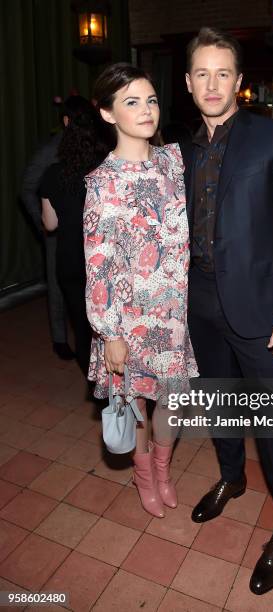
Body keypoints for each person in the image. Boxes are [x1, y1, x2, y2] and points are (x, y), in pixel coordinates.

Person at [182, 27, 273, 595]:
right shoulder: (180, 148)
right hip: (200, 300)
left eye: (223, 73)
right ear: (188, 83)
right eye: (201, 74)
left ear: (240, 81)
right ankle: (232, 480)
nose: (212, 84)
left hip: (263, 308)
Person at [85, 63, 198, 518]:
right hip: (127, 319)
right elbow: (98, 264)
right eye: (131, 101)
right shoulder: (101, 182)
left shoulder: (173, 160)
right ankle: (144, 474)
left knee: (172, 401)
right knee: (135, 407)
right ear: (108, 113)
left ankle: (164, 470)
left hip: (173, 312)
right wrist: (108, 332)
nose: (146, 110)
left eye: (151, 99)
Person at [40, 96, 109, 377]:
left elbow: (51, 224)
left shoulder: (54, 173)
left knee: (82, 329)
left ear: (66, 125)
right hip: (103, 261)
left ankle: (95, 387)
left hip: (71, 261)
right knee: (109, 329)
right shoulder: (107, 168)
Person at [21, 131, 75, 361]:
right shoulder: (49, 149)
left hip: (83, 228)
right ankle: (60, 340)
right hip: (54, 228)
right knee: (56, 285)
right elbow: (27, 188)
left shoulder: (95, 144)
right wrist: (41, 223)